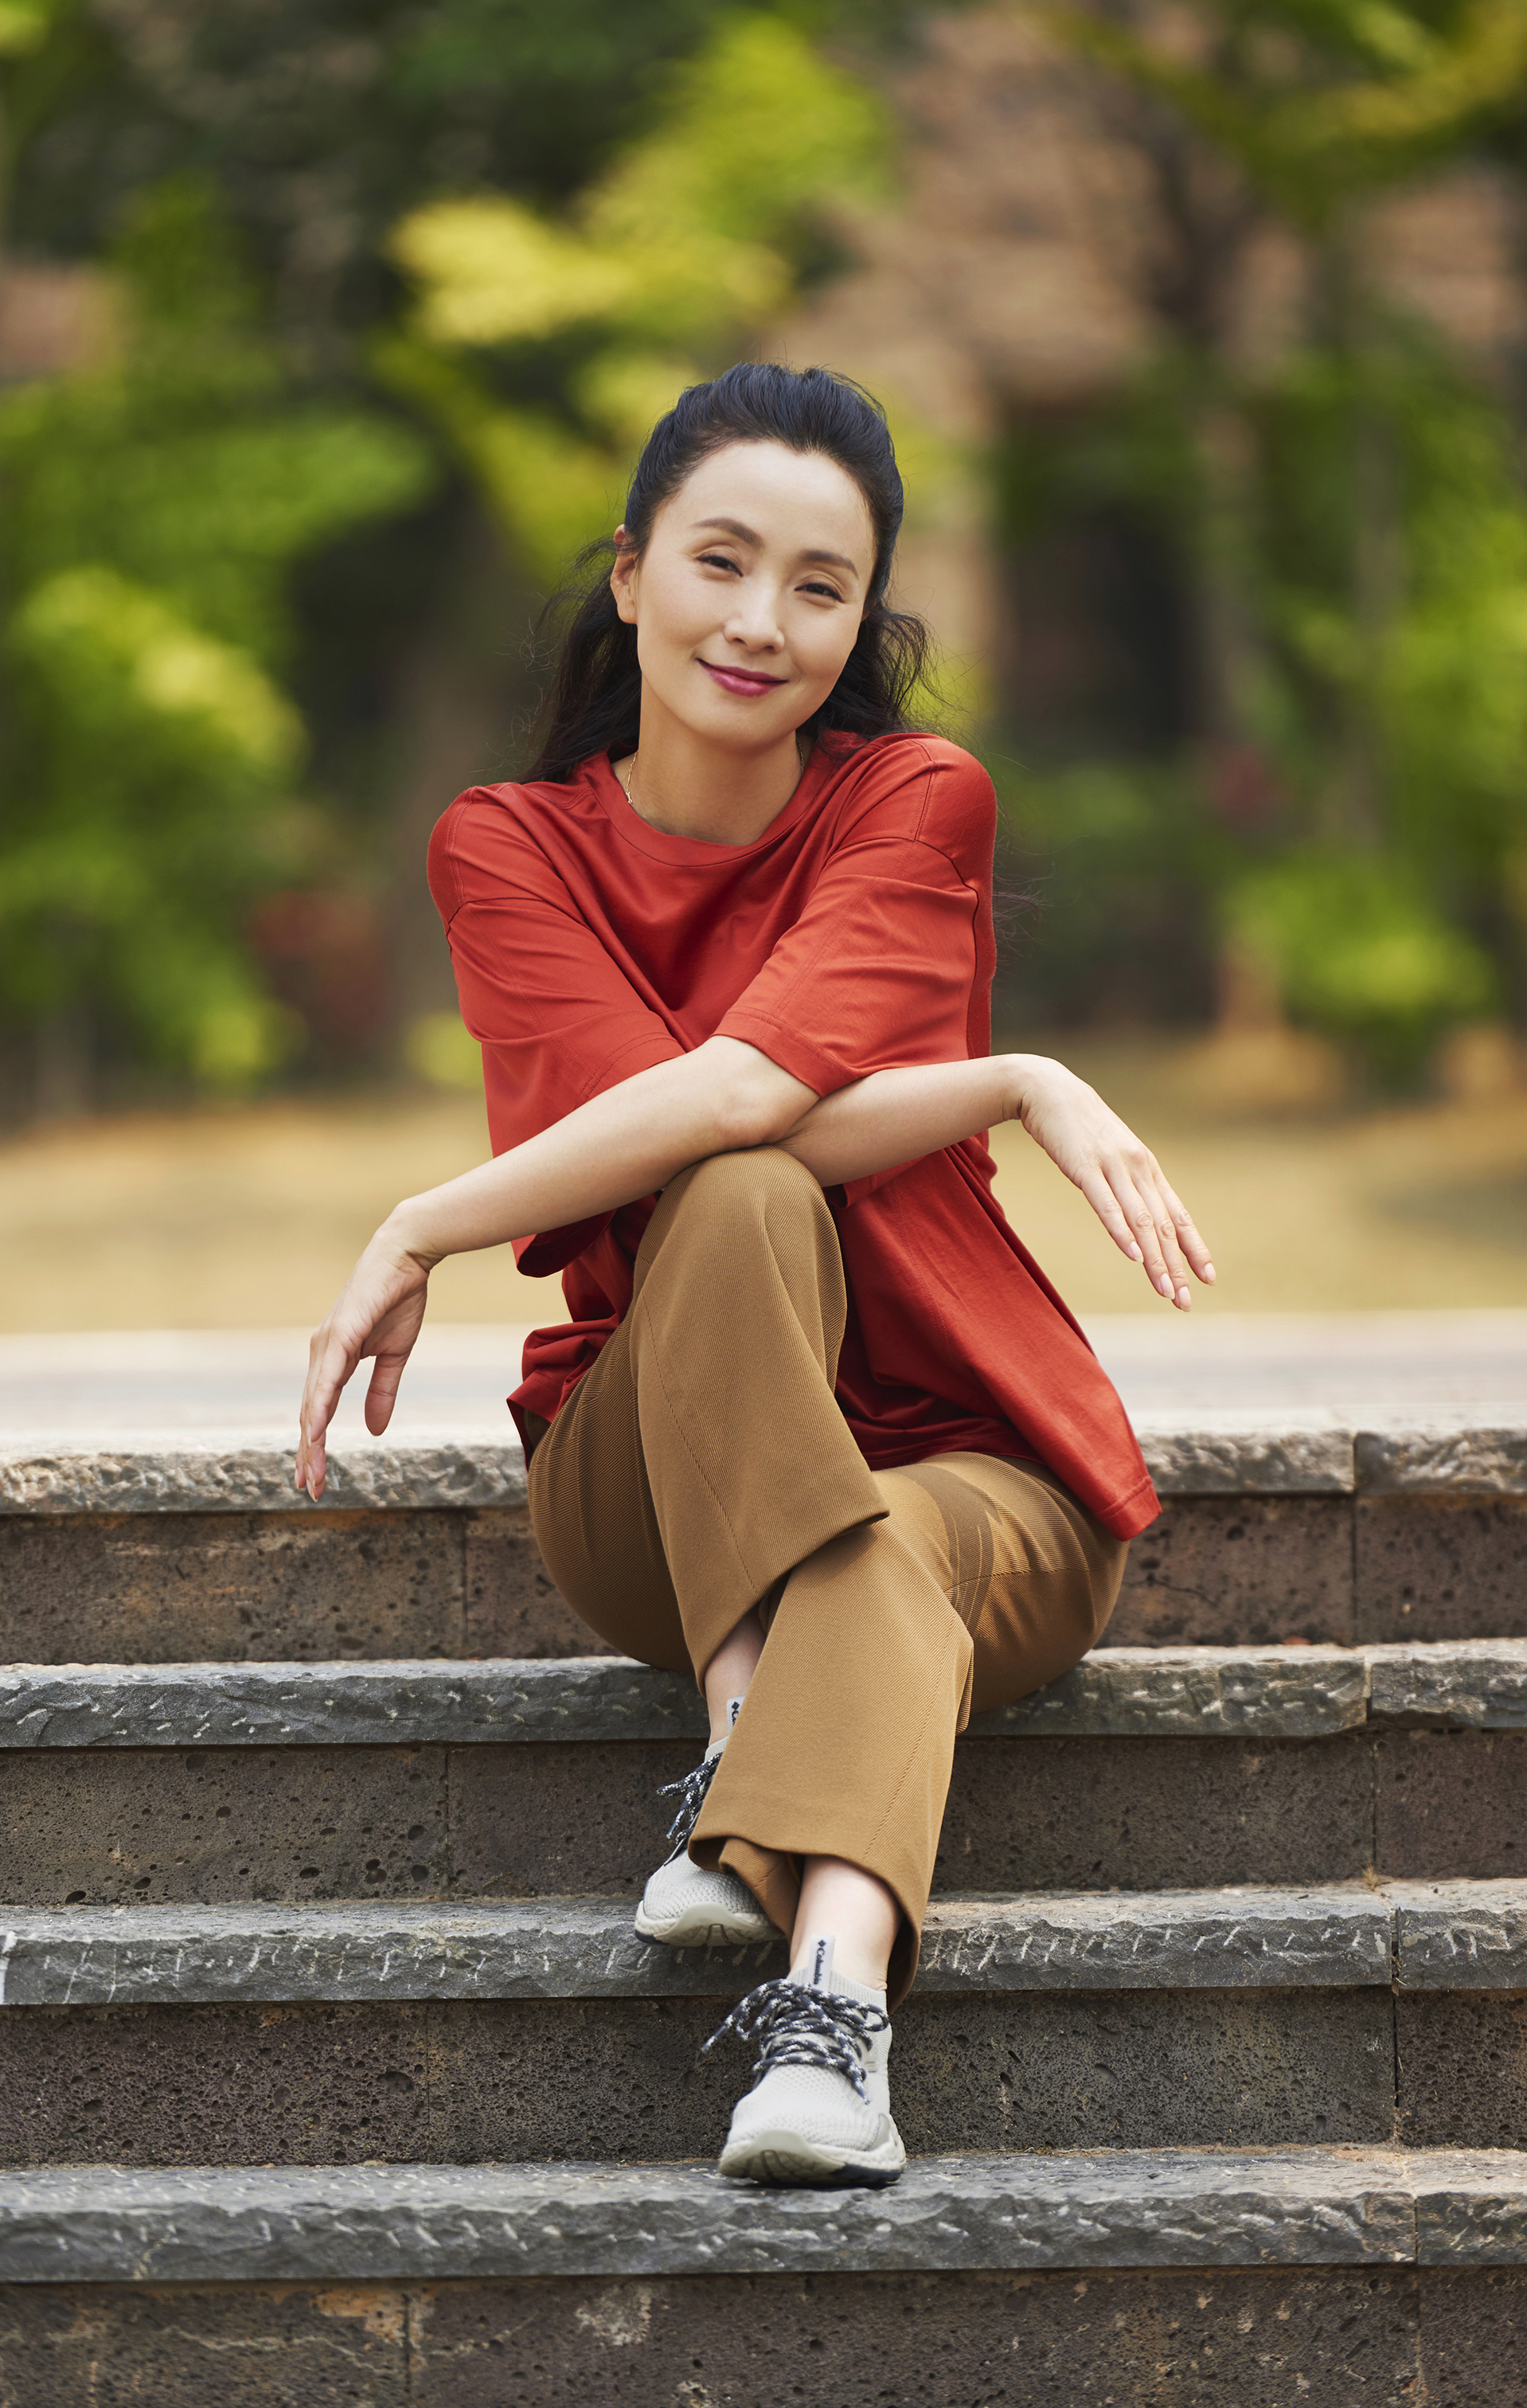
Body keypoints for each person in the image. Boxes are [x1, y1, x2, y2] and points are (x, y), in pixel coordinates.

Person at [295, 362, 1213, 2192]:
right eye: (721, 562)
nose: (762, 622)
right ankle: (740, 1749)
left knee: (867, 1496)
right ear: (630, 573)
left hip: (985, 1465)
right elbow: (710, 1143)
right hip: (647, 1476)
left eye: (821, 586)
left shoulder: (916, 800)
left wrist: (426, 1220)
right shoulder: (510, 844)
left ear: (866, 620)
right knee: (725, 1204)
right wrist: (1009, 1084)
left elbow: (737, 1091)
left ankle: (828, 2007)